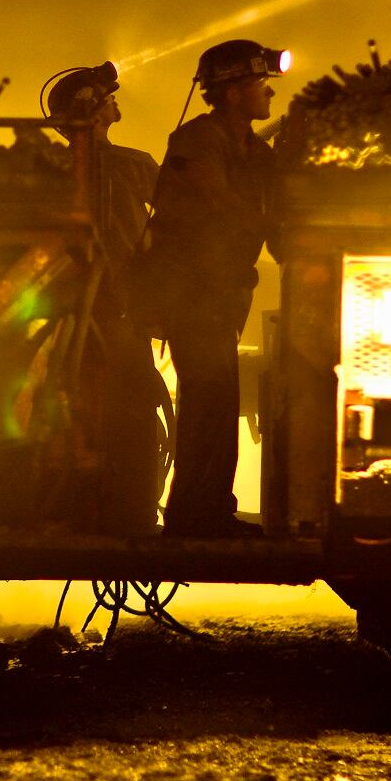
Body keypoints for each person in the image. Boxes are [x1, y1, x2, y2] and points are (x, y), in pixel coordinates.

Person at [143, 39, 287, 538]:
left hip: (222, 294)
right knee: (207, 403)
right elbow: (221, 205)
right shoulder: (196, 142)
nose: (269, 94)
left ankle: (206, 511)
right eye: (260, 85)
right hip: (193, 292)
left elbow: (271, 208)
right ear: (231, 93)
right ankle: (195, 516)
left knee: (219, 403)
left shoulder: (252, 149)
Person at [46, 62, 166, 533]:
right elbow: (182, 216)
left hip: (59, 315)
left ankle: (64, 503)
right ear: (93, 112)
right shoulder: (133, 166)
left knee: (67, 403)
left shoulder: (48, 169)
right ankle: (129, 509)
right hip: (124, 308)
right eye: (107, 97)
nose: (116, 102)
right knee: (135, 402)